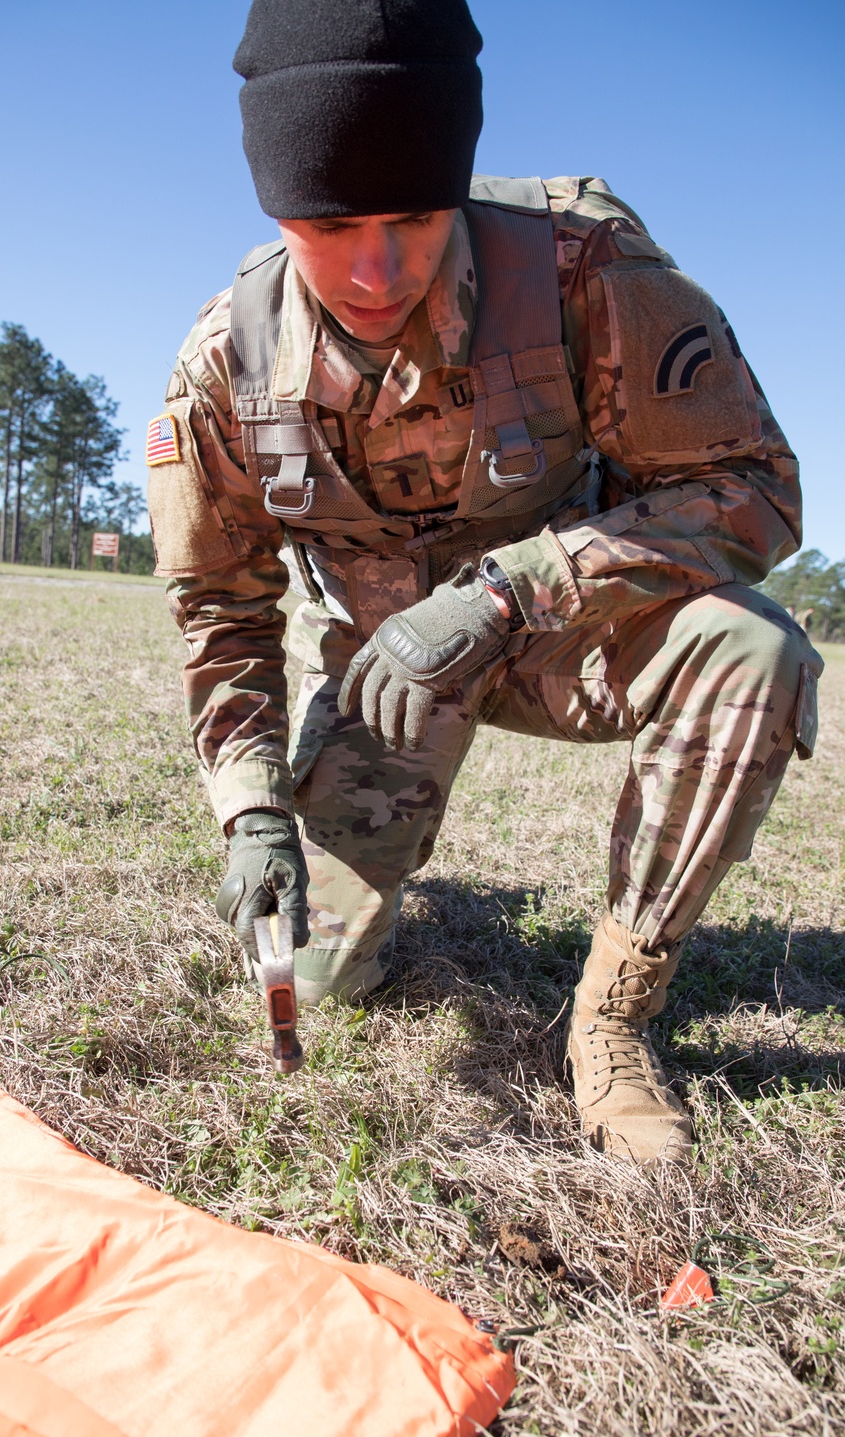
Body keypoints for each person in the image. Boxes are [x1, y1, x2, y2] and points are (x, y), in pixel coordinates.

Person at [146, 0, 823, 1166]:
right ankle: (374, 901)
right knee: (323, 985)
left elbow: (754, 486)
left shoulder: (578, 268)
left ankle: (611, 1015)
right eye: (327, 223)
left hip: (574, 631)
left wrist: (504, 592)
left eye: (413, 218)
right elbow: (223, 610)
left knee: (752, 652)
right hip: (387, 686)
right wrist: (251, 805)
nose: (374, 268)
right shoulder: (227, 365)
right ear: (274, 208)